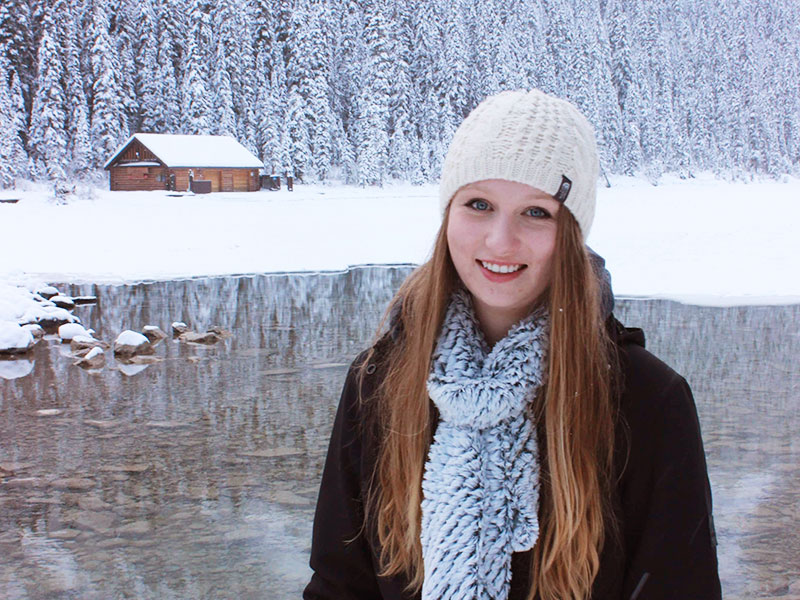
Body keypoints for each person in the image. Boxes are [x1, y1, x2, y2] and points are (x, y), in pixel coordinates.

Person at [304, 90, 721, 600]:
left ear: (571, 234)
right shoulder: (379, 382)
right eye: (479, 204)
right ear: (448, 214)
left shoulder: (647, 401)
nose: (501, 241)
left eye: (536, 212)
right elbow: (339, 585)